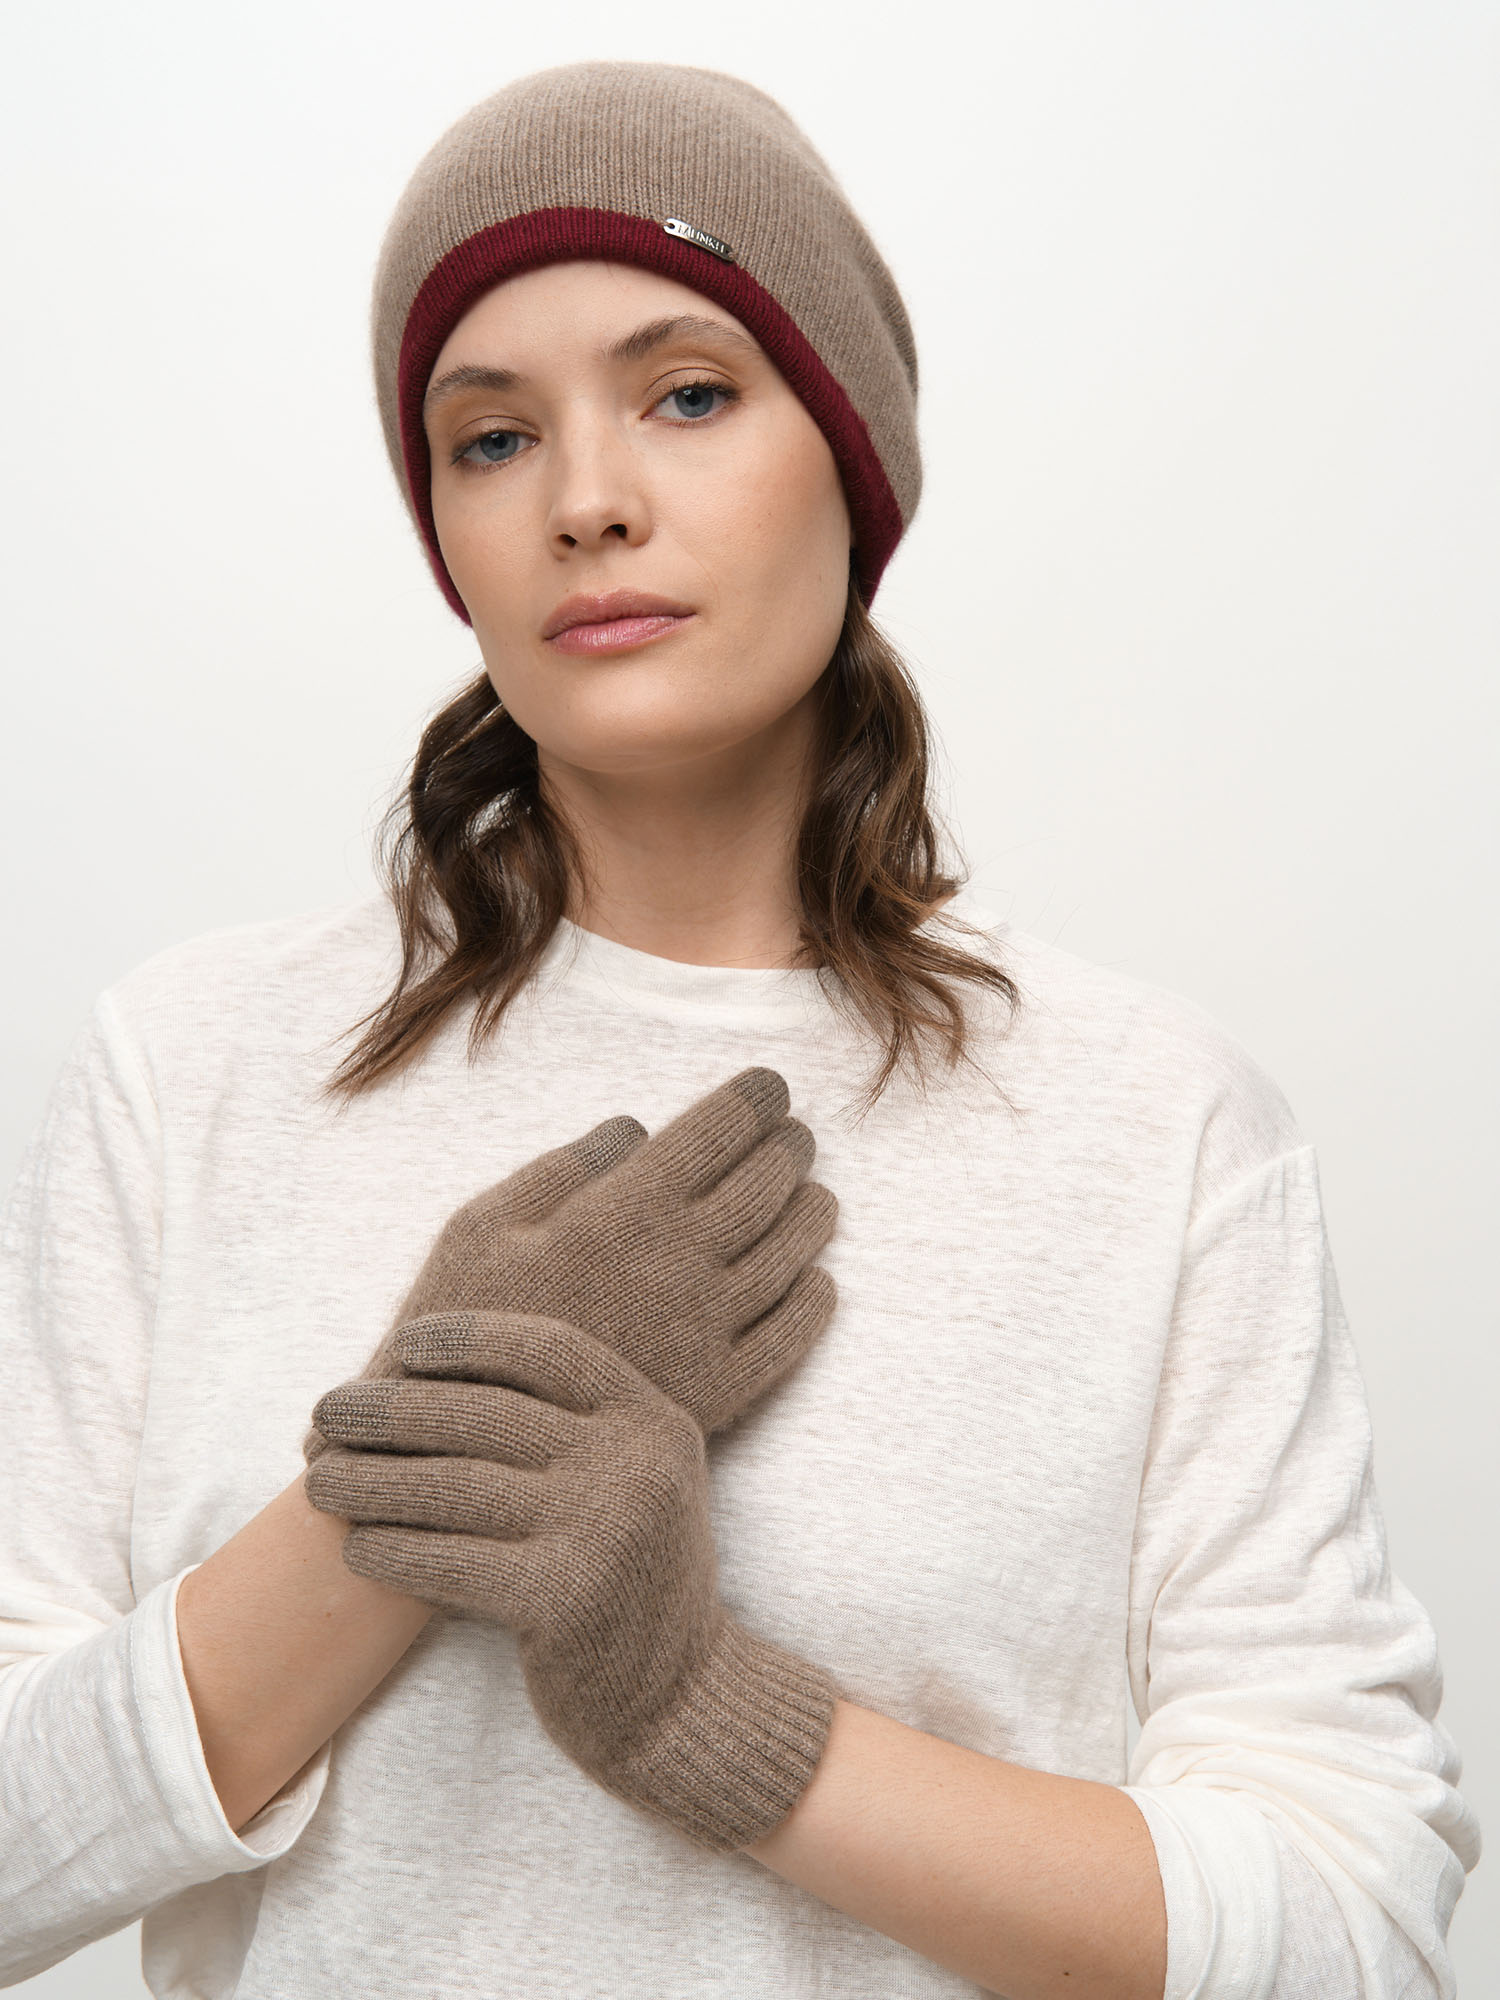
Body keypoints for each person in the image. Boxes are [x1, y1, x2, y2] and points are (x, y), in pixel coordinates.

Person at [0, 58, 1478, 2000]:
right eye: (491, 437)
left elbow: (1357, 1928)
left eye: (688, 394)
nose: (587, 502)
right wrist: (410, 1482)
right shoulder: (193, 1065)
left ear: (849, 459)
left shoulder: (1155, 1121)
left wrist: (703, 1706)